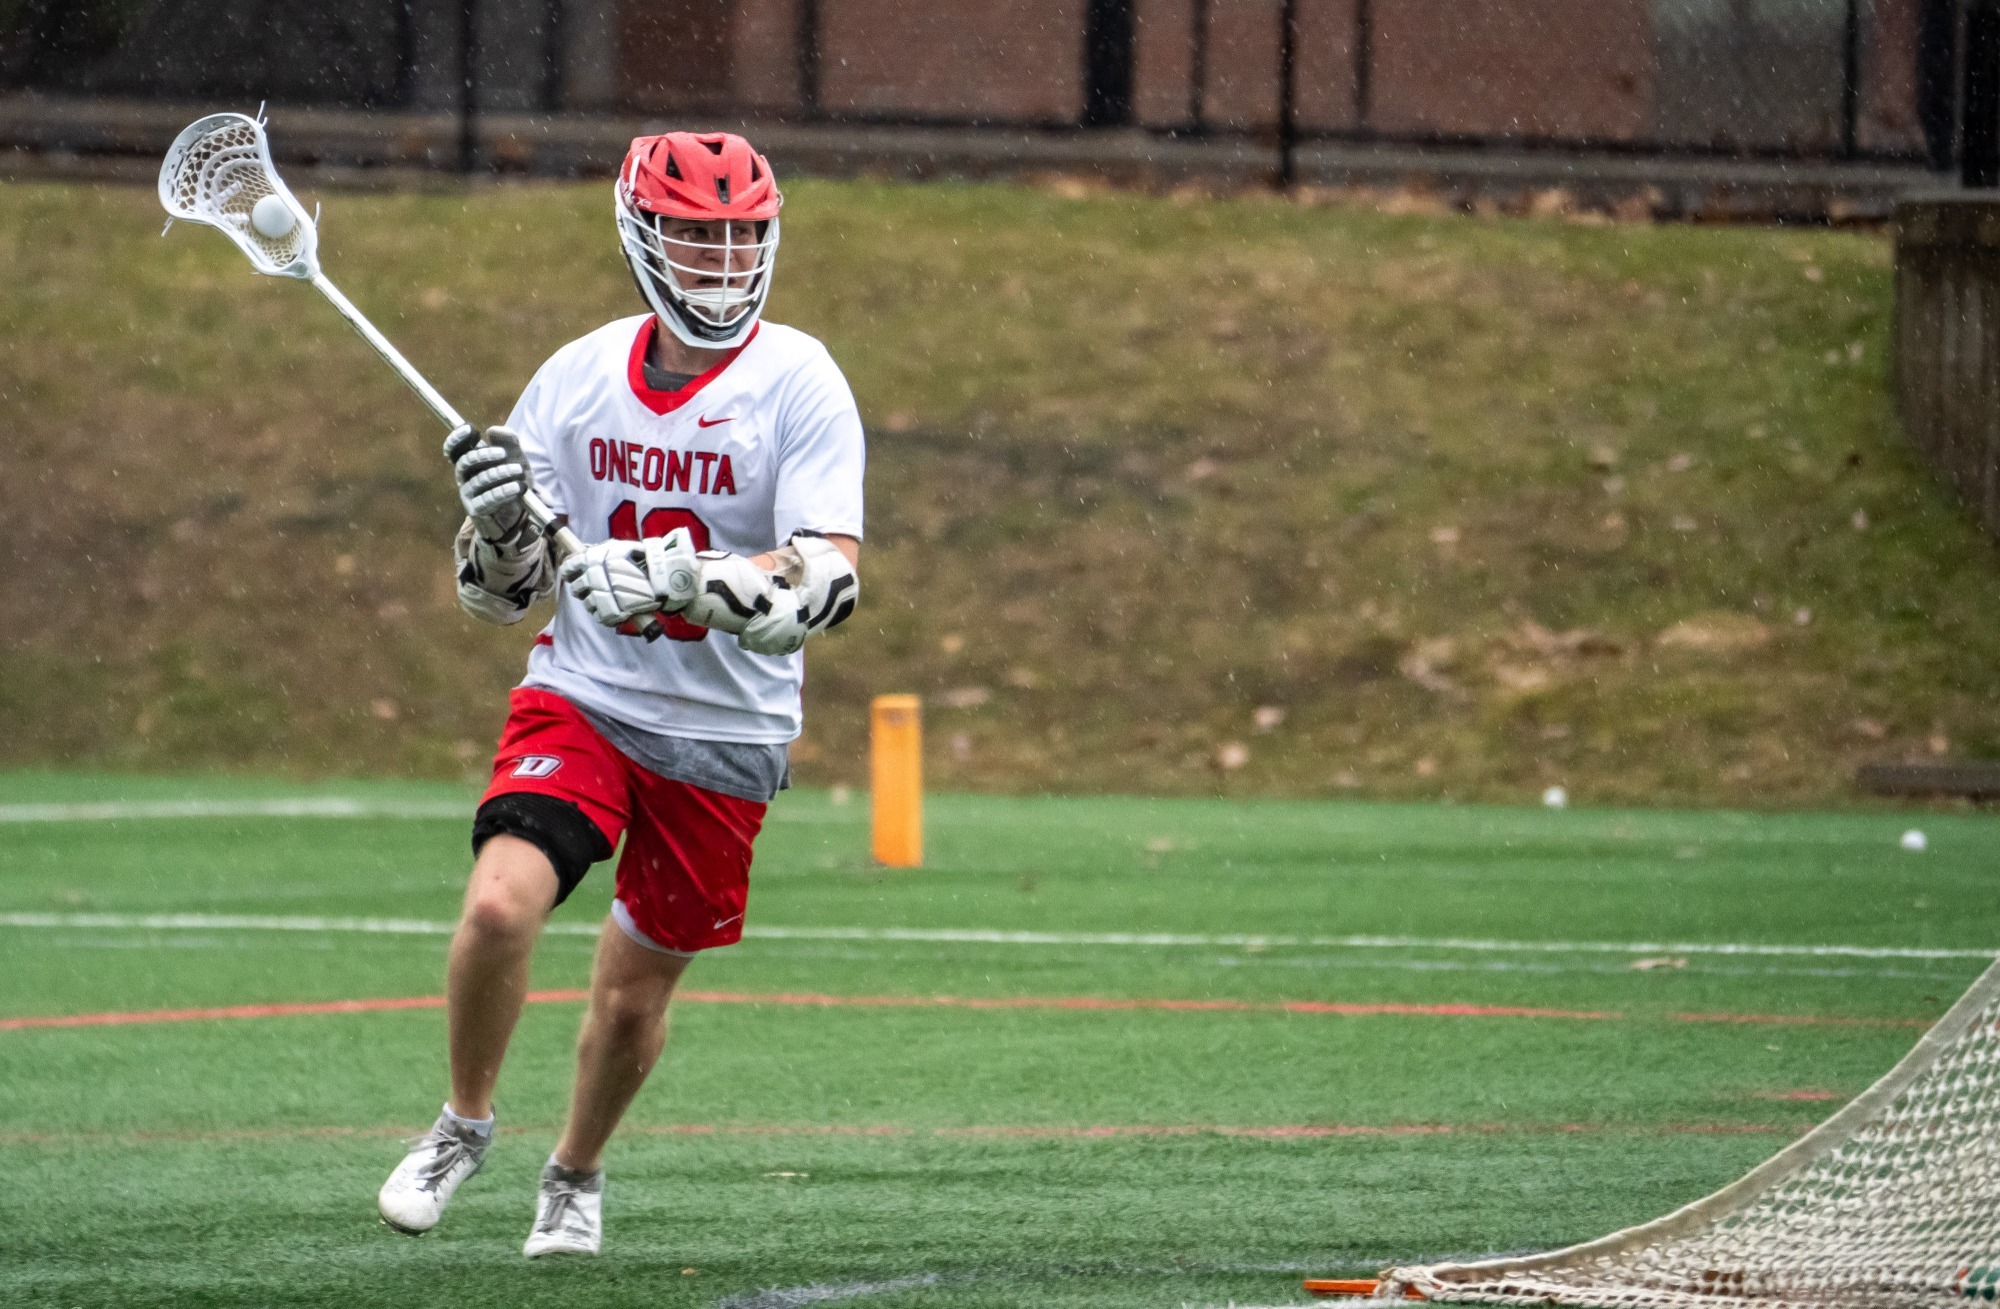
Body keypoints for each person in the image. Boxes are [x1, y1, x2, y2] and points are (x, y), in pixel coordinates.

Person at [375, 130, 863, 1258]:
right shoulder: (580, 375)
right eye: (696, 236)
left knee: (634, 994)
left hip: (727, 728)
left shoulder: (798, 380)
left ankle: (574, 1172)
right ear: (642, 236)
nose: (722, 261)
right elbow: (503, 598)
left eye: (741, 237)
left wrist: (694, 578)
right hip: (587, 694)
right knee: (500, 903)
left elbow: (827, 577)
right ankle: (463, 1123)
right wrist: (497, 525)